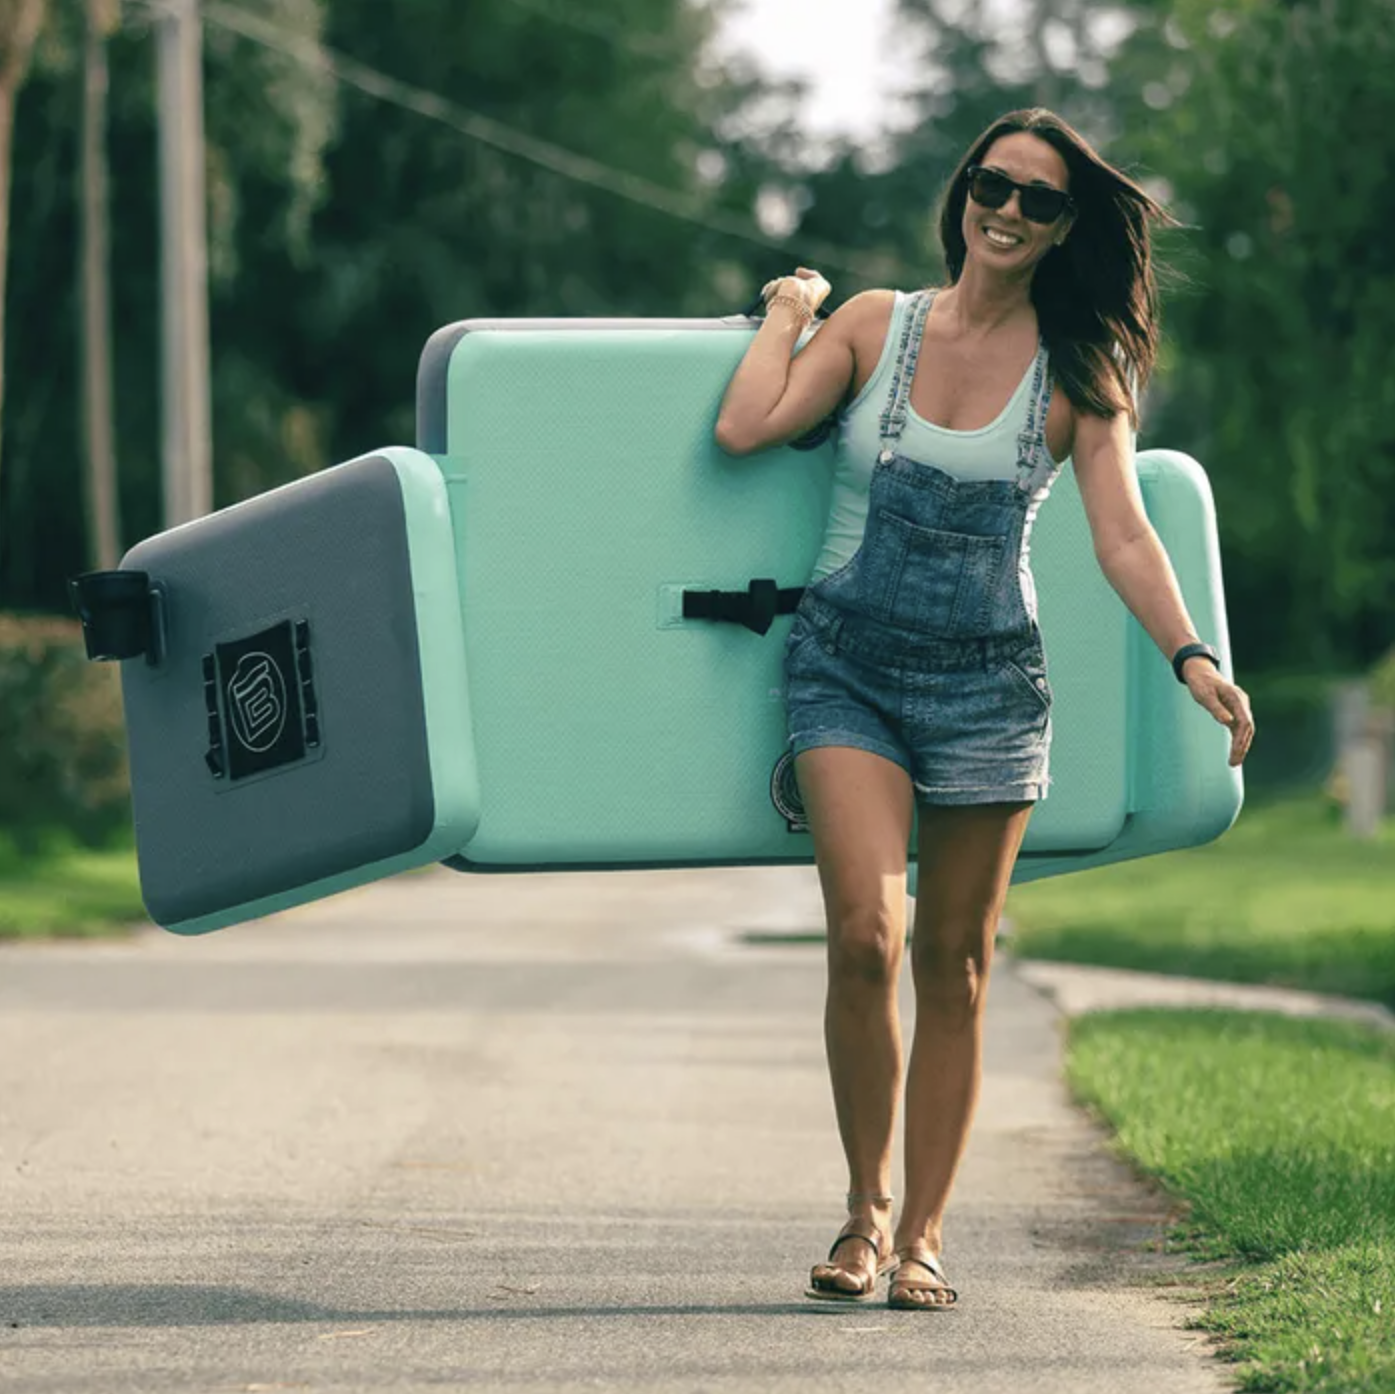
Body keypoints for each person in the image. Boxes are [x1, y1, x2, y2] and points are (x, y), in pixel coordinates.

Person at [713, 108, 1255, 1311]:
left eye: (1039, 201)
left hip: (987, 687)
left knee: (956, 964)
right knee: (869, 935)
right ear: (963, 193)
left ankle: (925, 1235)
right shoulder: (874, 326)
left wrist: (1191, 655)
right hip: (845, 667)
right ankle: (862, 1213)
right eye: (992, 186)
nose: (1007, 211)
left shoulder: (1078, 375)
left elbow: (1122, 531)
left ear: (1065, 231)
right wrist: (790, 314)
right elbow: (746, 426)